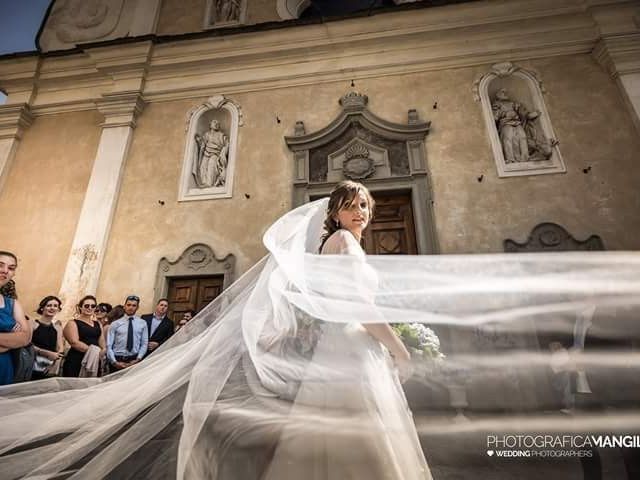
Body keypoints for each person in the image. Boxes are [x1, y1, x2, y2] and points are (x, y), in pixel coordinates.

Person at [0, 251, 31, 385]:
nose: (5, 271)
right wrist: (10, 341)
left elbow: (24, 337)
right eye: (0, 265)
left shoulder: (12, 304)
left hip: (4, 368)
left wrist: (17, 339)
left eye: (11, 268)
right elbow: (18, 339)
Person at [62, 295, 104, 377]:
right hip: (77, 359)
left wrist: (102, 351)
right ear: (80, 307)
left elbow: (102, 341)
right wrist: (93, 351)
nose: (90, 308)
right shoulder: (72, 323)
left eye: (93, 306)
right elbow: (74, 342)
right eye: (86, 305)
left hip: (94, 360)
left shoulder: (98, 324)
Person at [106, 295, 148, 371]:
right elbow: (109, 345)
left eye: (134, 305)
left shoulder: (142, 323)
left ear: (137, 307)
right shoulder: (115, 324)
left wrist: (138, 359)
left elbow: (144, 343)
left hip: (134, 359)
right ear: (124, 306)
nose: (131, 307)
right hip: (117, 358)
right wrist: (114, 362)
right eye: (128, 305)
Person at [31, 295, 64, 380]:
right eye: (49, 305)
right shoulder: (33, 324)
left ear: (58, 309)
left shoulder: (57, 327)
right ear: (42, 308)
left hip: (49, 365)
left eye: (55, 306)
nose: (52, 308)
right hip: (32, 363)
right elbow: (26, 344)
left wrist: (54, 365)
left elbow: (60, 348)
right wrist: (46, 353)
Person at [193, 119, 229, 188]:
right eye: (214, 122)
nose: (216, 124)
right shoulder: (207, 134)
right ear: (210, 125)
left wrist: (223, 152)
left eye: (218, 123)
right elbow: (203, 145)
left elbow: (226, 144)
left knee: (211, 165)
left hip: (215, 154)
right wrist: (198, 141)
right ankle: (204, 182)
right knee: (203, 166)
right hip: (206, 154)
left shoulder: (221, 135)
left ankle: (209, 183)